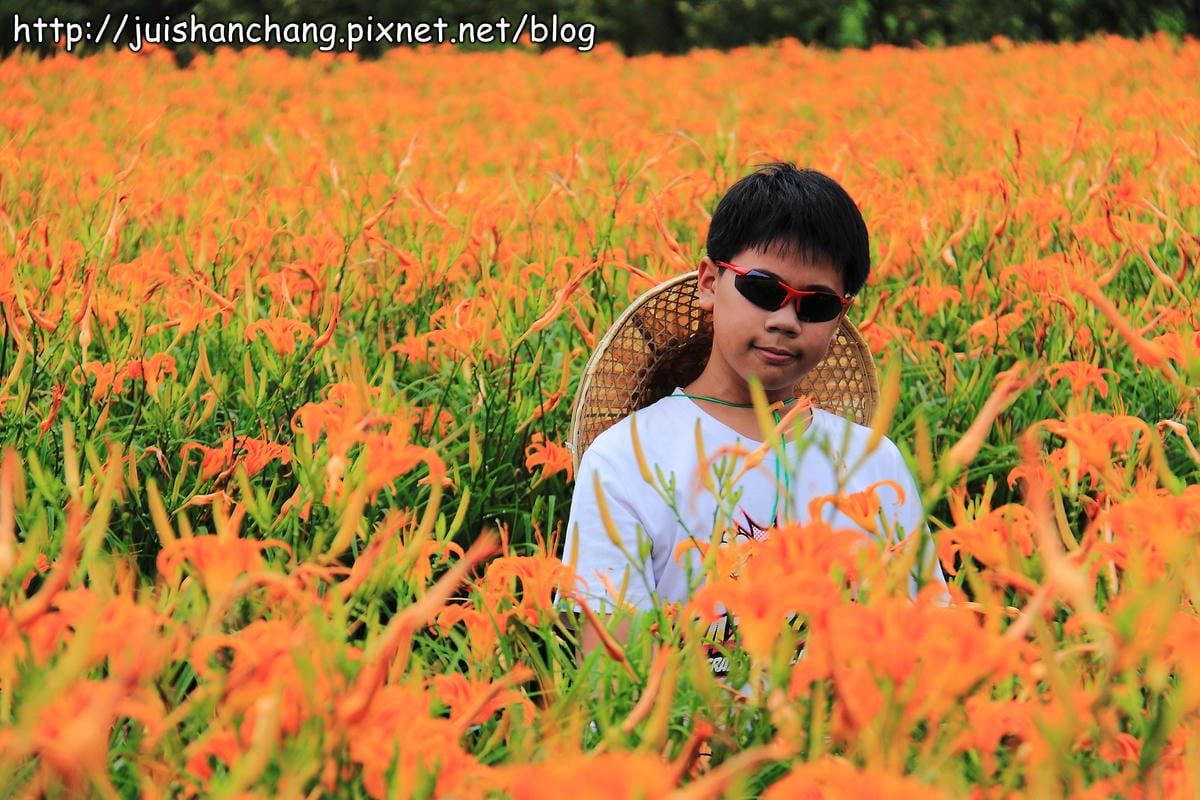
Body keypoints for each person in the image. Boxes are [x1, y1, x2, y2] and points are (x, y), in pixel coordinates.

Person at [562, 162, 944, 662]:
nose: (785, 320)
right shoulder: (625, 459)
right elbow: (612, 679)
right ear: (708, 282)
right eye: (763, 290)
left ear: (840, 318)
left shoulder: (873, 460)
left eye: (816, 305)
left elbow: (929, 640)